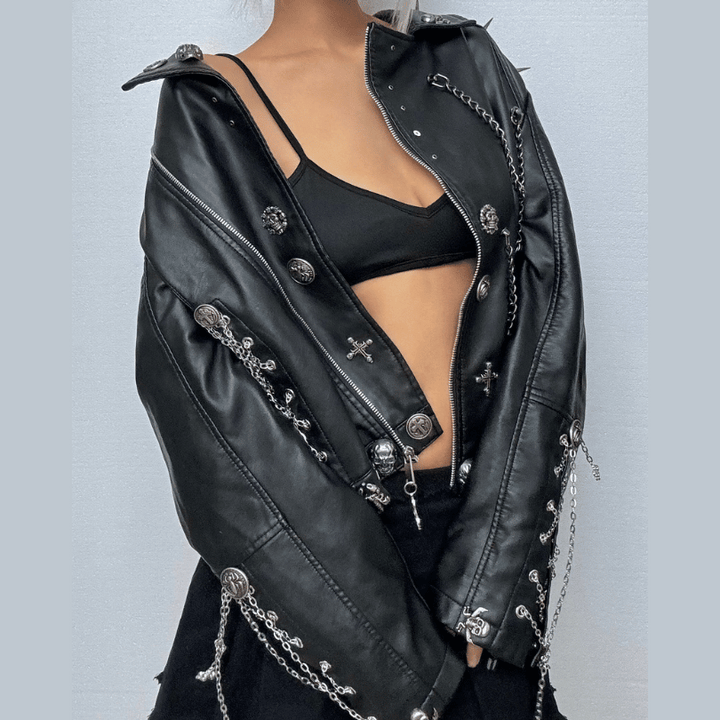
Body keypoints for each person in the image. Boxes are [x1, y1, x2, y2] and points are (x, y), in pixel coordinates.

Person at [122, 2, 601, 719]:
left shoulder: (466, 67)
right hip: (310, 570)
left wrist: (495, 572)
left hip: (475, 551)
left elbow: (550, 301)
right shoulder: (209, 104)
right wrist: (390, 656)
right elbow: (196, 405)